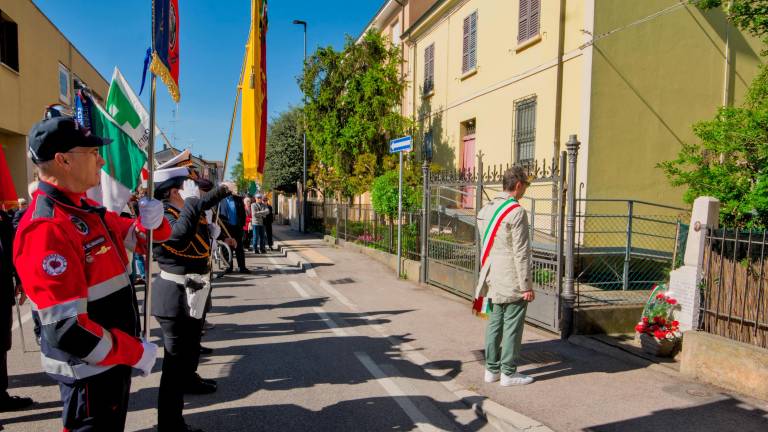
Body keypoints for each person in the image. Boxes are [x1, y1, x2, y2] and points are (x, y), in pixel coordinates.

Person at [12, 116, 169, 431]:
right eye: (91, 152)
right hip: (89, 373)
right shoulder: (47, 227)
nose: (101, 159)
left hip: (109, 364)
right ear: (63, 160)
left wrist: (153, 221)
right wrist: (134, 351)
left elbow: (142, 239)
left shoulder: (82, 208)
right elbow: (67, 329)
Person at [151, 166, 232, 432]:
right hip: (174, 296)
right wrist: (193, 203)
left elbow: (202, 202)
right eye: (187, 187)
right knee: (173, 369)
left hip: (192, 290)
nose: (194, 191)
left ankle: (190, 383)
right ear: (175, 192)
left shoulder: (181, 208)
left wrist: (223, 191)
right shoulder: (161, 214)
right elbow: (178, 236)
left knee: (187, 356)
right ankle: (170, 424)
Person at [475, 166, 535, 387]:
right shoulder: (517, 212)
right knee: (512, 325)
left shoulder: (486, 209)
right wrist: (526, 285)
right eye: (526, 185)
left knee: (494, 323)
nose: (525, 189)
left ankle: (491, 370)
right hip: (511, 277)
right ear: (518, 185)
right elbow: (521, 252)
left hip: (490, 275)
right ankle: (508, 372)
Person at [0, 208, 34, 413]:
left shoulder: (2, 217)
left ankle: (0, 396)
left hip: (2, 289)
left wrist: (21, 278)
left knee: (2, 344)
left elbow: (11, 247)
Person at [218, 188, 249, 273]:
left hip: (237, 227)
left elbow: (243, 213)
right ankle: (229, 267)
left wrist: (242, 225)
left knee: (239, 248)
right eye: (226, 190)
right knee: (227, 248)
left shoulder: (238, 199)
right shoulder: (220, 200)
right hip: (225, 228)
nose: (228, 192)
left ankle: (242, 267)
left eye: (229, 190)